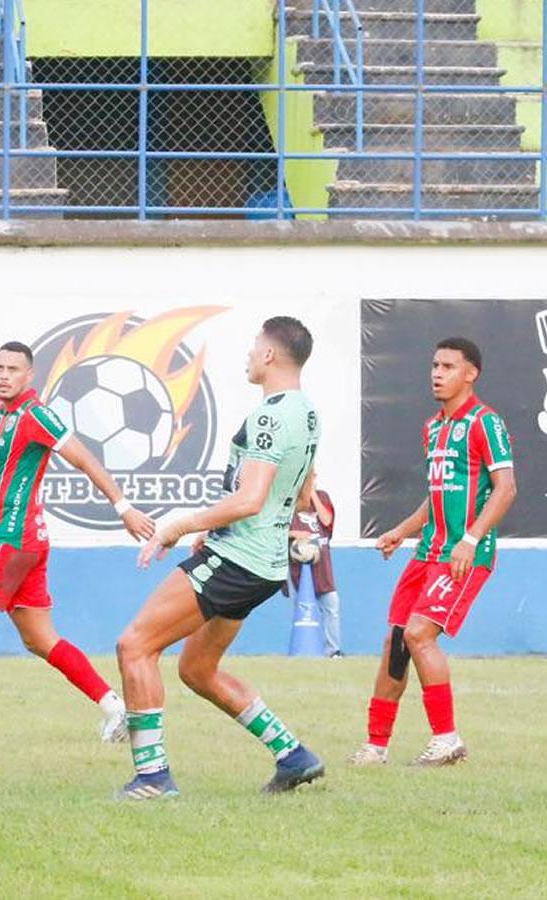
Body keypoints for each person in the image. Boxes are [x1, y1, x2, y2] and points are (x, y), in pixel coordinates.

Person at [114, 316, 325, 800]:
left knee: (135, 646)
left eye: (254, 346)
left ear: (269, 355)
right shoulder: (308, 413)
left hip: (238, 560)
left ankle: (153, 778)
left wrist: (182, 525)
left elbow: (250, 499)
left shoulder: (271, 415)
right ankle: (293, 755)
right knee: (197, 669)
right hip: (264, 565)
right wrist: (217, 528)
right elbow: (304, 492)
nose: (248, 355)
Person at [0, 342, 156, 748]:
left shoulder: (36, 415)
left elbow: (85, 459)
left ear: (30, 375)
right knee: (40, 639)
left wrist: (123, 507)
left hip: (11, 536)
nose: (4, 375)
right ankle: (114, 707)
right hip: (26, 541)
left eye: (13, 369)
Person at [351, 338, 516, 768]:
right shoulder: (433, 428)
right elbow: (437, 495)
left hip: (463, 554)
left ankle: (447, 740)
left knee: (419, 633)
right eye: (434, 365)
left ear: (471, 374)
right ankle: (375, 747)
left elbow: (506, 489)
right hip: (427, 551)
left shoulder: (485, 422)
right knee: (396, 641)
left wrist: (471, 539)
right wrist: (401, 531)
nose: (437, 373)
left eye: (447, 367)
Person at [284, 474, 342, 657]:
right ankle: (303, 648)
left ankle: (333, 650)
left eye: (312, 477)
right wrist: (295, 534)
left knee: (332, 607)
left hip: (323, 566)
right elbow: (277, 530)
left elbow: (326, 521)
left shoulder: (322, 497)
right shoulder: (288, 499)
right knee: (302, 608)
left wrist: (313, 494)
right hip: (297, 568)